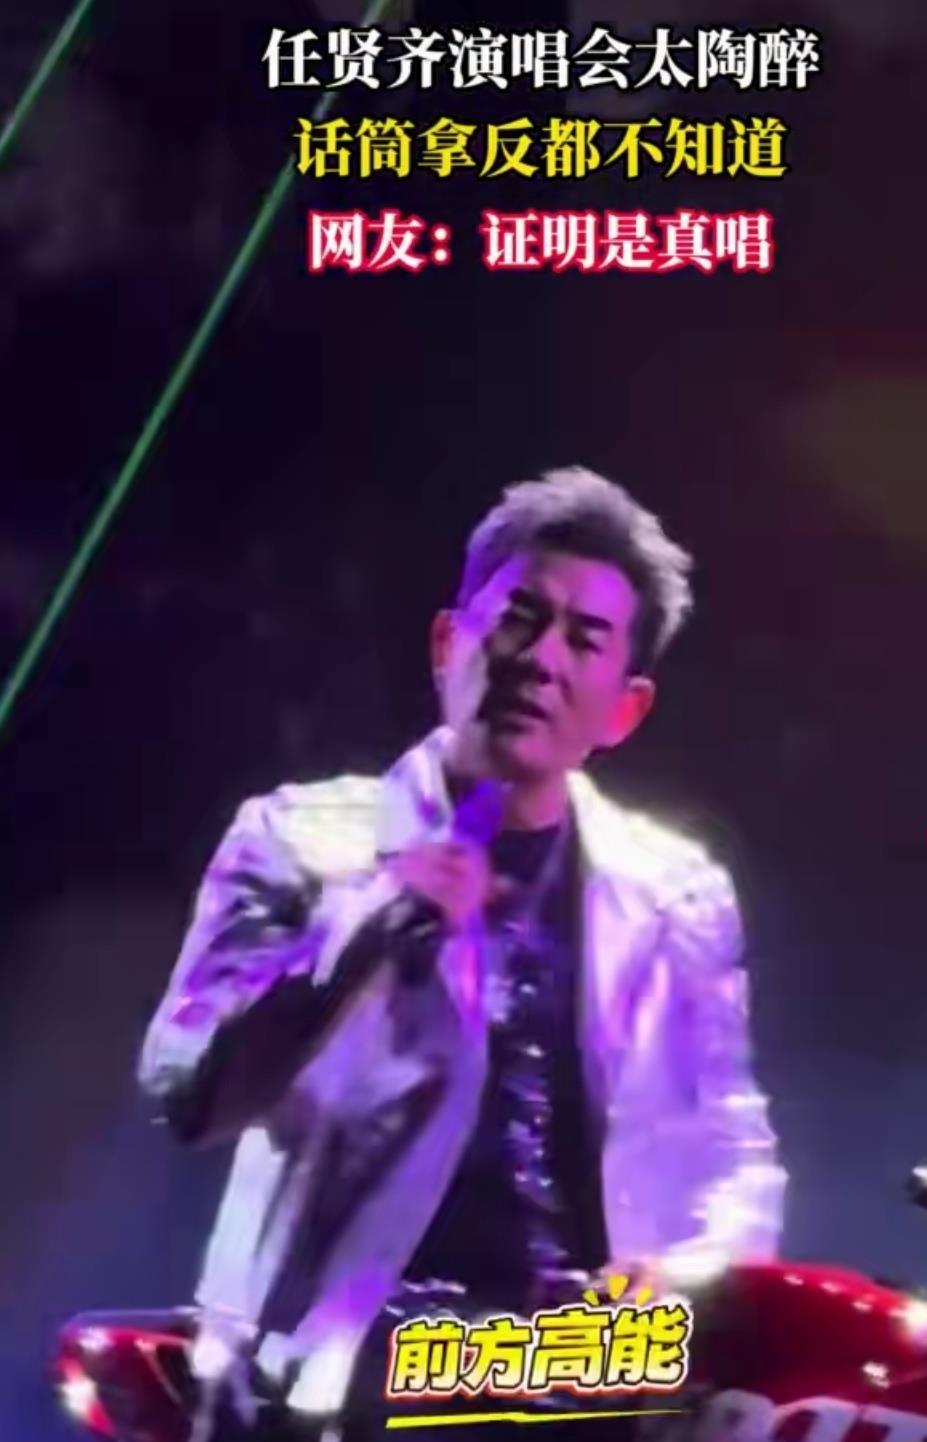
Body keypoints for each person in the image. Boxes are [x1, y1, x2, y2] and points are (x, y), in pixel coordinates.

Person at [138, 466, 787, 1440]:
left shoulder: (675, 892)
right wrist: (366, 925)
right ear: (449, 645)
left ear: (623, 709)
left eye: (585, 639)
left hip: (577, 1382)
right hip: (337, 1380)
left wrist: (689, 1274)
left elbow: (727, 1149)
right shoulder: (301, 841)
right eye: (518, 618)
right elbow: (190, 1091)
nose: (541, 659)